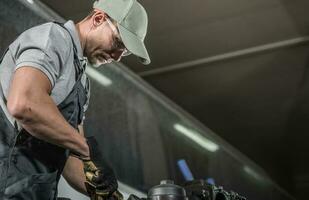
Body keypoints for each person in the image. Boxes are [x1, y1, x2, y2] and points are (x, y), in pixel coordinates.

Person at [0, 0, 150, 199]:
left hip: (31, 192)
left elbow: (70, 157)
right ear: (98, 19)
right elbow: (24, 104)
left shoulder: (82, 83)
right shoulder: (53, 38)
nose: (117, 56)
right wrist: (86, 149)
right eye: (118, 43)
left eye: (125, 51)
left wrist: (110, 194)